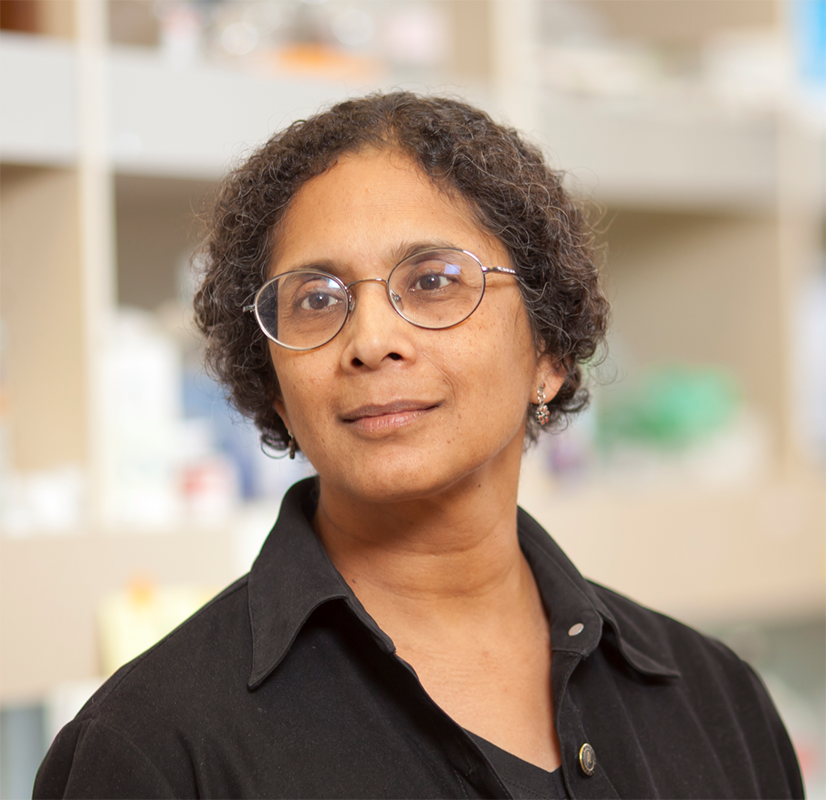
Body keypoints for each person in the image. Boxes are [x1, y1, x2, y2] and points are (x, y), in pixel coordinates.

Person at [34, 92, 803, 800]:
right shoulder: (152, 748)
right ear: (273, 386)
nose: (371, 340)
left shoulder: (714, 699)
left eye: (433, 281)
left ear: (551, 350)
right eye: (316, 300)